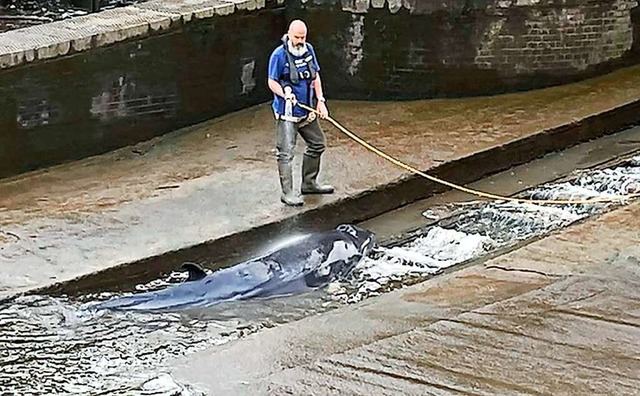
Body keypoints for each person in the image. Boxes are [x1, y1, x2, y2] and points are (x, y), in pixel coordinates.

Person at [268, 19, 334, 206]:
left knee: (317, 143)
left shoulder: (309, 50)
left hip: (307, 110)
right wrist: (284, 94)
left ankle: (309, 182)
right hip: (287, 113)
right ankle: (287, 193)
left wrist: (320, 101)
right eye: (297, 37)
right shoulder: (278, 55)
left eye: (303, 37)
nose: (300, 40)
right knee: (285, 153)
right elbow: (271, 82)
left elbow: (315, 76)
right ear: (289, 34)